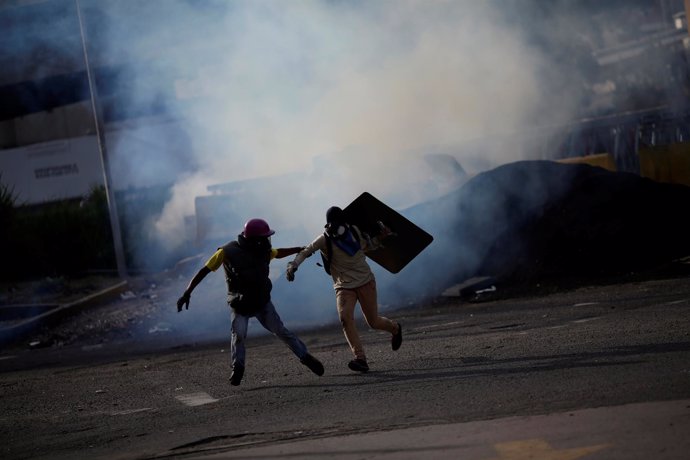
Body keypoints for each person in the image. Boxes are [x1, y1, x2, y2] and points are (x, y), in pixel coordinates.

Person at [176, 218, 324, 386]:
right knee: (238, 336)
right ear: (255, 239)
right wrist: (187, 292)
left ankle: (305, 356)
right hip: (240, 305)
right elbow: (205, 270)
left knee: (281, 331)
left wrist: (298, 249)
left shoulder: (262, 250)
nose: (267, 241)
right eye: (264, 238)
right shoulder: (227, 252)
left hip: (262, 301)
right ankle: (237, 369)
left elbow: (278, 252)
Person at [286, 206, 402, 373]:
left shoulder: (354, 231)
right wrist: (293, 265)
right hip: (343, 286)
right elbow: (306, 251)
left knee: (373, 322)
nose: (337, 228)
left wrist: (380, 238)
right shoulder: (324, 239)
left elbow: (366, 247)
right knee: (345, 319)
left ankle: (395, 328)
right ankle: (360, 358)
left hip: (365, 281)